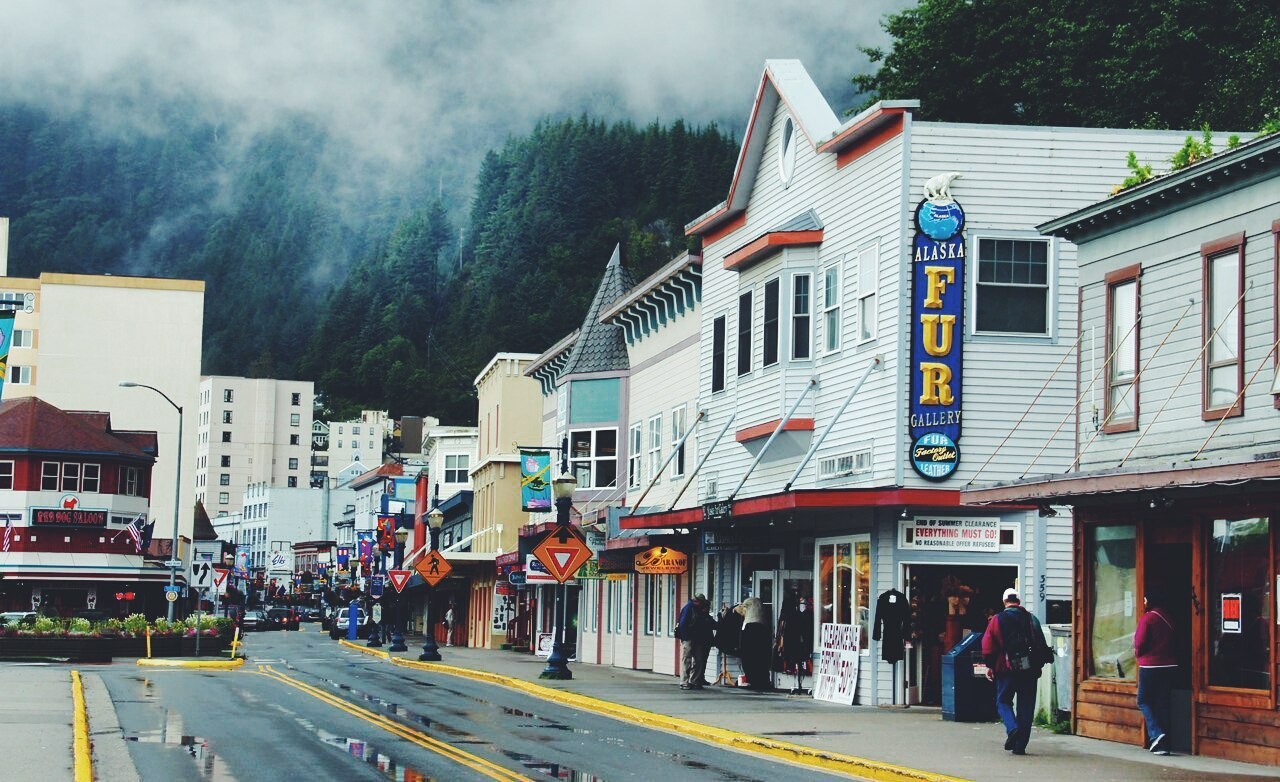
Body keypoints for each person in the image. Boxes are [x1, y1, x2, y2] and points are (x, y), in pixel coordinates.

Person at [982, 588, 1052, 755]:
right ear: (1019, 602)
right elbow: (1040, 646)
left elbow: (987, 645)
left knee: (1003, 701)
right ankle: (1020, 746)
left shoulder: (997, 620)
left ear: (1005, 602)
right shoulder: (1031, 619)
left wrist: (990, 666)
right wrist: (1038, 667)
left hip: (1006, 670)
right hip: (1028, 671)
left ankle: (1012, 728)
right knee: (1026, 707)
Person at [1134, 588, 1176, 755]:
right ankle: (1164, 745)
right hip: (1171, 666)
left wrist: (1138, 654)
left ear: (1149, 601)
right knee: (1162, 703)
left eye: (1145, 599)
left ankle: (1157, 734)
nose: (1143, 602)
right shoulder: (1169, 618)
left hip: (1150, 666)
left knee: (1143, 700)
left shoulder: (1148, 618)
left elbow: (1139, 642)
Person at [735, 596, 771, 690]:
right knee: (760, 662)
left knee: (751, 662)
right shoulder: (762, 623)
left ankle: (753, 681)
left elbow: (746, 645)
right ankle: (762, 682)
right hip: (761, 652)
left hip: (749, 651)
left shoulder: (749, 625)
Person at [675, 594, 706, 690]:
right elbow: (683, 624)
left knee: (697, 660)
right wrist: (686, 638)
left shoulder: (695, 608)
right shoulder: (689, 608)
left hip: (695, 638)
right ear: (698, 601)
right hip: (689, 638)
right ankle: (685, 682)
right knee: (688, 659)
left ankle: (693, 681)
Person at [691, 597, 716, 688]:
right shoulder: (701, 616)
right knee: (699, 661)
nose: (708, 609)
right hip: (700, 642)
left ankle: (700, 678)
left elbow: (715, 625)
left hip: (705, 642)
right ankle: (696, 680)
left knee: (702, 660)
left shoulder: (705, 616)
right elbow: (714, 625)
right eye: (707, 608)